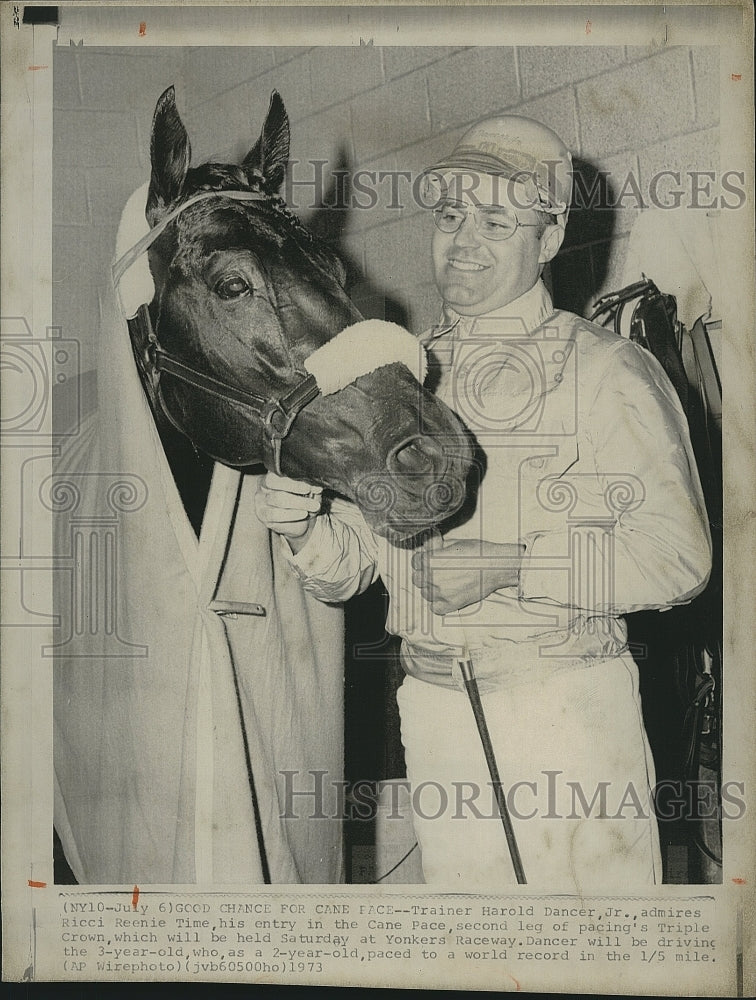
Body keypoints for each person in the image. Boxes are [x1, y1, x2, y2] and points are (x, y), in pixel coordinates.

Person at [255, 116, 712, 891]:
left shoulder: (607, 370)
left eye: (497, 221)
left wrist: (512, 566)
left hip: (564, 711)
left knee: (600, 959)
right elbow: (356, 569)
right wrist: (303, 529)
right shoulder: (401, 376)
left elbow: (679, 557)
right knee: (479, 953)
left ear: (548, 238)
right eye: (451, 216)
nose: (463, 240)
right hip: (434, 714)